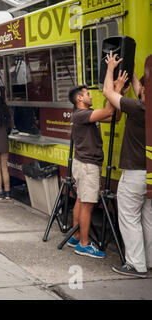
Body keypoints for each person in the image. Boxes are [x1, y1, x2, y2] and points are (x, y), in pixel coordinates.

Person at [102, 51, 151, 278]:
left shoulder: (139, 108)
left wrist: (111, 67)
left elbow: (108, 93)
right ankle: (148, 262)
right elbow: (141, 88)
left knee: (129, 218)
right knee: (147, 219)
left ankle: (135, 264)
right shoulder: (144, 106)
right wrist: (131, 75)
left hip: (135, 172)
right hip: (149, 173)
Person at [67, 84, 117, 259]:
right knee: (87, 204)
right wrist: (114, 90)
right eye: (87, 94)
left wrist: (117, 94)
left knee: (81, 200)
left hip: (84, 163)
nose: (90, 96)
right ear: (79, 98)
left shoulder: (85, 115)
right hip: (88, 165)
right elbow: (107, 113)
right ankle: (84, 245)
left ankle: (75, 237)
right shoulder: (81, 114)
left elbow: (113, 118)